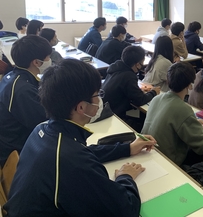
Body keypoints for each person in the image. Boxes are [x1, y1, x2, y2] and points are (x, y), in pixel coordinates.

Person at [5, 59, 157, 216]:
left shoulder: (42, 129)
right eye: (97, 94)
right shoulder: (70, 161)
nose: (100, 100)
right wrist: (125, 176)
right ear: (81, 107)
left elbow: (83, 153)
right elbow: (126, 209)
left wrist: (127, 148)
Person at [142, 62, 203, 166]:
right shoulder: (183, 109)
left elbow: (170, 120)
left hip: (149, 154)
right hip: (167, 162)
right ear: (190, 85)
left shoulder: (157, 98)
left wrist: (192, 121)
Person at [0, 35, 52, 167]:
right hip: (15, 150)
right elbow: (45, 123)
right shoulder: (22, 90)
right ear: (36, 62)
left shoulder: (13, 76)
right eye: (48, 56)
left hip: (11, 140)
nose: (50, 60)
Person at [102, 46, 159, 117]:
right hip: (115, 114)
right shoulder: (129, 76)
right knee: (143, 117)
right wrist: (154, 92)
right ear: (137, 64)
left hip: (106, 108)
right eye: (142, 63)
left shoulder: (116, 68)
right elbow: (140, 100)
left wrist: (137, 90)